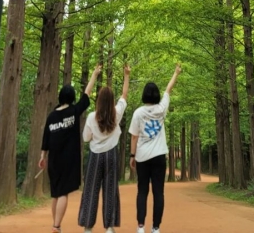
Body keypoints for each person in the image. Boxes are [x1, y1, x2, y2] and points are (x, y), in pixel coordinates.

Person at [40, 65, 102, 233]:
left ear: (60, 97)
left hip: (53, 161)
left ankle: (56, 225)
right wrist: (94, 74)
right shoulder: (74, 111)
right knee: (63, 193)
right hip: (68, 160)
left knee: (56, 193)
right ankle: (56, 226)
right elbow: (87, 94)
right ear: (72, 97)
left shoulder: (52, 116)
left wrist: (42, 156)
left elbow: (46, 138)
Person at [78, 65, 131, 233]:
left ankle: (88, 227)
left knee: (90, 189)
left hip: (95, 156)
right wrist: (126, 75)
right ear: (112, 100)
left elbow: (86, 138)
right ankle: (109, 227)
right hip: (111, 155)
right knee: (110, 190)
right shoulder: (116, 113)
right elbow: (124, 96)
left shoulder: (91, 117)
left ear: (99, 100)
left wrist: (94, 74)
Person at [129, 64, 181, 233]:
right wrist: (176, 73)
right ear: (157, 95)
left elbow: (134, 136)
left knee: (142, 192)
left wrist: (132, 156)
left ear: (144, 95)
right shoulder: (161, 109)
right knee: (159, 193)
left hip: (142, 157)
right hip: (159, 156)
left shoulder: (138, 113)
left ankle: (140, 227)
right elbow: (168, 89)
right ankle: (156, 227)